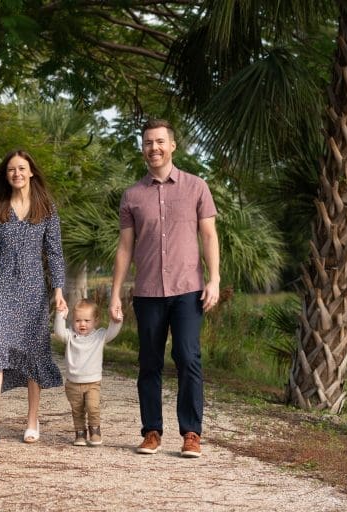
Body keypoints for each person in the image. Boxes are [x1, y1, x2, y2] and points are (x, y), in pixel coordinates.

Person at [109, 119, 220, 458]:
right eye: (147, 142)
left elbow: (209, 236)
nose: (153, 147)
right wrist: (115, 292)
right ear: (143, 149)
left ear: (172, 145)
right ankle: (151, 432)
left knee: (188, 358)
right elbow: (125, 247)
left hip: (188, 290)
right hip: (147, 292)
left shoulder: (196, 187)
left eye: (160, 142)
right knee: (149, 363)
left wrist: (214, 279)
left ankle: (191, 433)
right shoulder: (132, 196)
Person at [0, 149, 67, 451]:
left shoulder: (46, 207)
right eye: (11, 169)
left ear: (31, 171)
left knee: (34, 350)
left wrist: (59, 290)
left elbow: (55, 253)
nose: (17, 174)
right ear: (6, 174)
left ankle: (32, 420)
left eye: (22, 168)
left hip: (34, 289)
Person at [54, 298, 122, 447]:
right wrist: (60, 316)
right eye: (78, 320)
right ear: (73, 321)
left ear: (95, 321)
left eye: (86, 320)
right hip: (72, 383)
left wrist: (117, 319)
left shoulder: (99, 336)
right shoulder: (70, 336)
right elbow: (58, 333)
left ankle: (95, 430)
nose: (82, 324)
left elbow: (112, 332)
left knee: (93, 407)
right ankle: (80, 433)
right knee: (77, 410)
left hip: (92, 382)